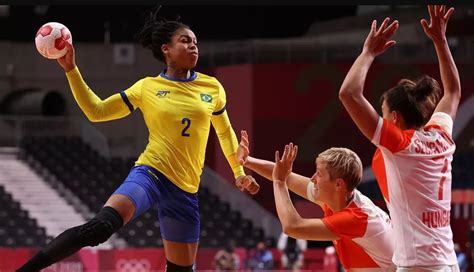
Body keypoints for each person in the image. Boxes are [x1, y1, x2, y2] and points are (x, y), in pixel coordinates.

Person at [17, 8, 259, 272]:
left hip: (186, 190)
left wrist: (238, 172)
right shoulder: (147, 87)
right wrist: (71, 69)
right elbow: (96, 111)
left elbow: (224, 132)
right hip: (151, 174)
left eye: (195, 42)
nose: (193, 46)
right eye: (186, 41)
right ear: (166, 49)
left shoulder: (212, 87)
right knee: (101, 227)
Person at [338, 5, 460, 270]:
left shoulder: (400, 145)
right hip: (448, 263)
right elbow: (452, 92)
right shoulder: (441, 137)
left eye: (382, 113)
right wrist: (440, 40)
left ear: (394, 118)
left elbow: (348, 94)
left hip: (419, 266)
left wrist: (368, 52)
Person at [237, 131, 395, 270]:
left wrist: (279, 182)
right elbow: (286, 176)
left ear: (338, 184)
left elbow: (292, 227)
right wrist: (248, 160)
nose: (312, 179)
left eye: (319, 174)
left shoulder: (356, 217)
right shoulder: (338, 196)